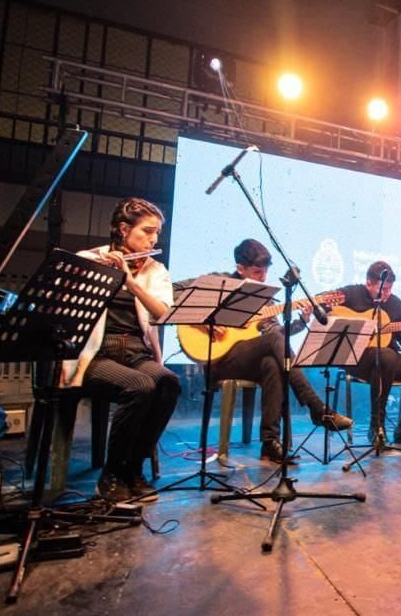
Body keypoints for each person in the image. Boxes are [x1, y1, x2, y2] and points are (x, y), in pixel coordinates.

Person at [185, 239, 353, 464]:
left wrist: (302, 321)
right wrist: (203, 320)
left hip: (245, 359)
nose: (263, 278)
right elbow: (176, 291)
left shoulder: (263, 298)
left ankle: (270, 444)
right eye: (257, 272)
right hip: (216, 358)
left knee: (273, 363)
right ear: (240, 268)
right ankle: (317, 407)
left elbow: (278, 335)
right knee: (274, 344)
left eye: (265, 272)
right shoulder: (220, 282)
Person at [63, 198, 181, 503]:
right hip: (95, 354)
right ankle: (111, 473)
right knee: (140, 386)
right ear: (124, 229)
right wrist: (99, 273)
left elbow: (163, 315)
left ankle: (133, 469)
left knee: (168, 382)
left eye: (157, 233)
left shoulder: (155, 270)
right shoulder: (88, 259)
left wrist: (132, 283)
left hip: (135, 351)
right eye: (147, 231)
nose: (154, 239)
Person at [335, 261, 401, 447]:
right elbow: (325, 305)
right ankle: (376, 425)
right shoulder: (352, 294)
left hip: (388, 361)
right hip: (357, 360)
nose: (387, 294)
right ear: (369, 283)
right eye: (383, 289)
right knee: (386, 356)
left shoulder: (395, 304)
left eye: (390, 289)